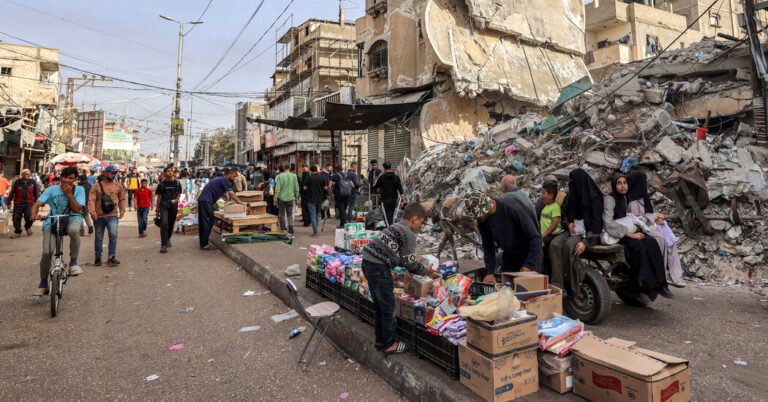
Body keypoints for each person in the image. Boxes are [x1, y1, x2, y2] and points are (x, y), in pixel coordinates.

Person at [362, 203, 433, 355]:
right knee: (388, 307)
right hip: (378, 268)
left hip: (368, 262)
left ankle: (380, 340)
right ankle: (389, 344)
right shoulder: (409, 234)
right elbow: (409, 264)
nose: (421, 225)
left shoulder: (396, 226)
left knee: (380, 306)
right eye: (421, 222)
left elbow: (400, 258)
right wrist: (427, 272)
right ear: (414, 219)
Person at [603, 173, 672, 303]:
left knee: (652, 243)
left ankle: (660, 285)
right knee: (638, 248)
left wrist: (638, 228)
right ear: (614, 185)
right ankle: (639, 289)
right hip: (618, 234)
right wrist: (630, 234)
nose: (623, 186)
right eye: (619, 183)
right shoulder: (610, 199)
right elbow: (608, 224)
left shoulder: (625, 198)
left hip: (630, 230)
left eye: (625, 183)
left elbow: (631, 217)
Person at [461, 189, 542, 282]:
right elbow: (488, 246)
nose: (476, 219)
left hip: (529, 252)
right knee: (506, 288)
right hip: (509, 254)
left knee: (529, 290)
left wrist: (529, 265)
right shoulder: (483, 220)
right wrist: (489, 272)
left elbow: (535, 238)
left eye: (477, 216)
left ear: (485, 208)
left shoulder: (511, 208)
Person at [30, 166, 85, 298]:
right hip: (53, 221)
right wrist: (33, 213)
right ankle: (43, 284)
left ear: (75, 180)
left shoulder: (79, 189)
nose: (67, 180)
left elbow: (78, 209)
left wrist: (69, 195)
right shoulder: (51, 189)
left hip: (72, 219)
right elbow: (38, 203)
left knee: (73, 230)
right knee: (47, 252)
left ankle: (73, 262)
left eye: (71, 178)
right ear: (60, 178)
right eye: (64, 177)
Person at [625, 171, 686, 288]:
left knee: (671, 241)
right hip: (641, 228)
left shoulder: (643, 197)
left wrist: (657, 219)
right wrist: (655, 216)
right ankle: (661, 274)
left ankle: (676, 276)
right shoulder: (632, 200)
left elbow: (648, 214)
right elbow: (637, 220)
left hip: (649, 224)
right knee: (661, 239)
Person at [547, 169, 604, 292]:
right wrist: (569, 224)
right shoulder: (572, 197)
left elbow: (597, 225)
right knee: (554, 244)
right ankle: (558, 285)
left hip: (590, 233)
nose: (571, 184)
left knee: (569, 246)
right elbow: (565, 215)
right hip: (574, 230)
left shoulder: (594, 199)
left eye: (573, 182)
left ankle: (573, 285)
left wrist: (585, 241)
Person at [89, 165, 126, 267]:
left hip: (112, 216)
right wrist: (92, 212)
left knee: (113, 235)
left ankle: (111, 257)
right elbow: (91, 199)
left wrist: (122, 210)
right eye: (111, 172)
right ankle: (98, 258)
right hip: (99, 216)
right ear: (105, 173)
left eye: (114, 173)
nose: (113, 174)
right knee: (99, 238)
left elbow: (122, 198)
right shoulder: (96, 186)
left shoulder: (118, 186)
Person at [198, 168, 242, 250]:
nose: (234, 177)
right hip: (207, 201)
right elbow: (232, 194)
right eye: (234, 175)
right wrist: (241, 203)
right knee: (208, 222)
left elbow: (215, 188)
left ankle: (203, 243)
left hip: (203, 200)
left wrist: (222, 196)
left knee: (203, 222)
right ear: (229, 174)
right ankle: (204, 245)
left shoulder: (219, 179)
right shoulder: (225, 180)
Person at [156, 166, 182, 253]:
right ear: (164, 173)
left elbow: (179, 193)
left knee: (171, 224)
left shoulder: (177, 183)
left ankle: (168, 239)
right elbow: (159, 197)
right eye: (168, 171)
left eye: (171, 171)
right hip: (164, 205)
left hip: (173, 206)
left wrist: (176, 200)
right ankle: (163, 245)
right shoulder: (161, 184)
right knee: (164, 224)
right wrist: (157, 209)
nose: (170, 172)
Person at [539, 182, 562, 275]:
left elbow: (554, 224)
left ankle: (542, 271)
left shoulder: (555, 207)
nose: (542, 196)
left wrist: (543, 235)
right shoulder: (546, 207)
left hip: (552, 234)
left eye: (544, 193)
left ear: (551, 195)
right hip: (545, 234)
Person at [8, 169, 39, 238]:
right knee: (16, 218)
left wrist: (38, 202)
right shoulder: (17, 182)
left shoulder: (32, 182)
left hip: (29, 203)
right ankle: (17, 232)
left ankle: (27, 227)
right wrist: (8, 201)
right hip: (18, 204)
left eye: (29, 174)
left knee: (30, 217)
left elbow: (36, 193)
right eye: (26, 174)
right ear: (22, 175)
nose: (29, 175)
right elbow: (12, 192)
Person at [373, 162, 405, 226]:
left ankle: (390, 230)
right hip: (393, 200)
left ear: (384, 168)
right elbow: (400, 190)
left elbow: (376, 188)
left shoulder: (381, 178)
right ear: (390, 167)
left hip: (385, 200)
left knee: (387, 217)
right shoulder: (396, 177)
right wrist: (403, 199)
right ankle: (391, 228)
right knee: (392, 216)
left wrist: (379, 189)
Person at [274, 163, 300, 234]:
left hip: (281, 198)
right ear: (290, 167)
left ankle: (283, 229)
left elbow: (277, 188)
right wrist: (297, 196)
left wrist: (275, 198)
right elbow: (296, 187)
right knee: (290, 214)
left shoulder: (280, 176)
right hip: (291, 197)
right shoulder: (294, 176)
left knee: (281, 214)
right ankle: (291, 228)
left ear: (284, 167)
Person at [303, 165, 328, 237]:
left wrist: (309, 189)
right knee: (317, 215)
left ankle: (315, 232)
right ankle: (316, 229)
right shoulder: (322, 177)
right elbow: (325, 188)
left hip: (311, 199)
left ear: (310, 170)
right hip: (320, 199)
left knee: (313, 216)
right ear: (317, 170)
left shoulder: (309, 178)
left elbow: (304, 188)